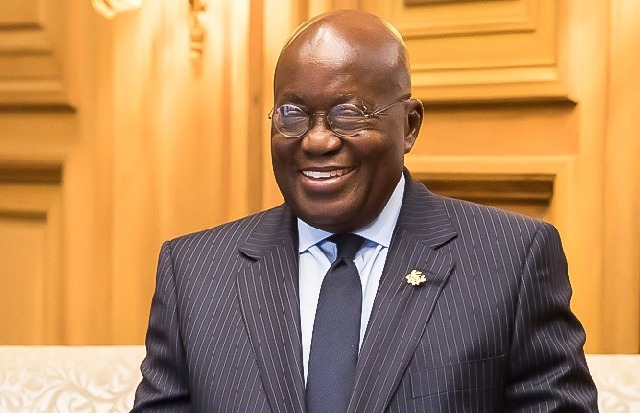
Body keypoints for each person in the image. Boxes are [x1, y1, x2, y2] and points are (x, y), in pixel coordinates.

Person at [132, 9, 597, 413]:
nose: (317, 140)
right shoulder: (195, 273)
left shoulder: (509, 261)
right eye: (292, 114)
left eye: (348, 114)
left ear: (409, 126)